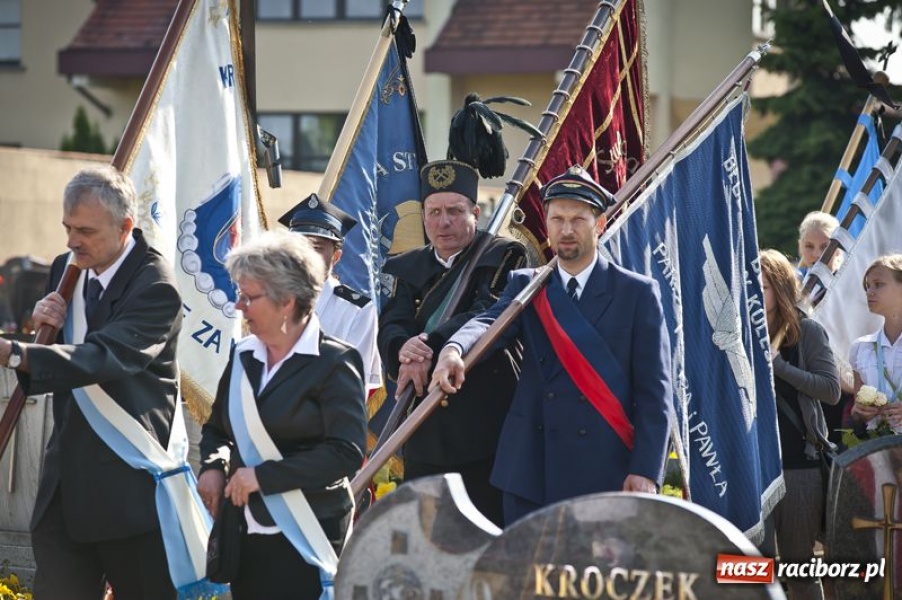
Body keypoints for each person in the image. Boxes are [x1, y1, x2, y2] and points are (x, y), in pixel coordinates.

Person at [431, 165, 673, 526]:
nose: (566, 229)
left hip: (606, 469)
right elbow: (489, 322)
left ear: (600, 225)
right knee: (528, 579)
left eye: (578, 219)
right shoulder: (527, 285)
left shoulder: (636, 293)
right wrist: (453, 349)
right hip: (533, 467)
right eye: (557, 219)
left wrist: (647, 470)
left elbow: (656, 391)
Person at [0, 166, 182, 599]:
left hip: (129, 491)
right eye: (67, 228)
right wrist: (38, 332)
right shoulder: (67, 269)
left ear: (125, 227)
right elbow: (55, 367)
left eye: (84, 230)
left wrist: (16, 352)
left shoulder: (155, 286)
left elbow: (106, 357)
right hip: (66, 482)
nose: (71, 241)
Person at [197, 230, 367, 599]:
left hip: (307, 534)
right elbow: (217, 430)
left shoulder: (335, 362)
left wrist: (263, 477)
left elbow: (346, 452)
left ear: (286, 301)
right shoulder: (243, 355)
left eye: (249, 297)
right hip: (244, 535)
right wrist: (212, 466)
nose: (239, 306)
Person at [377, 157, 526, 527]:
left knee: (486, 536)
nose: (444, 222)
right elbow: (393, 321)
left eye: (455, 212)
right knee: (427, 537)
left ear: (475, 212)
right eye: (435, 211)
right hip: (424, 427)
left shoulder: (503, 255)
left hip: (485, 425)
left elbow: (486, 313)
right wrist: (404, 351)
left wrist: (429, 341)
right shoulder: (407, 264)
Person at [760, 249, 840, 600]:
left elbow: (831, 389)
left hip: (799, 468)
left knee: (801, 568)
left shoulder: (807, 331)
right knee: (753, 570)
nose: (754, 293)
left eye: (762, 286)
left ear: (780, 287)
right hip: (754, 471)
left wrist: (779, 366)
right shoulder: (734, 333)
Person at [279, 193, 381, 392]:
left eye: (317, 248)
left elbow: (352, 381)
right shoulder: (266, 299)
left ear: (336, 256)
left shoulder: (357, 309)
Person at [849, 255, 902, 434]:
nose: (870, 291)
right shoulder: (860, 348)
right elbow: (856, 413)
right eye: (868, 286)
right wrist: (860, 413)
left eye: (878, 284)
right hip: (880, 452)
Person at [796, 210, 842, 281]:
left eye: (824, 247)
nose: (817, 254)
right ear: (800, 247)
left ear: (838, 249)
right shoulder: (795, 282)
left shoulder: (849, 282)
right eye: (809, 246)